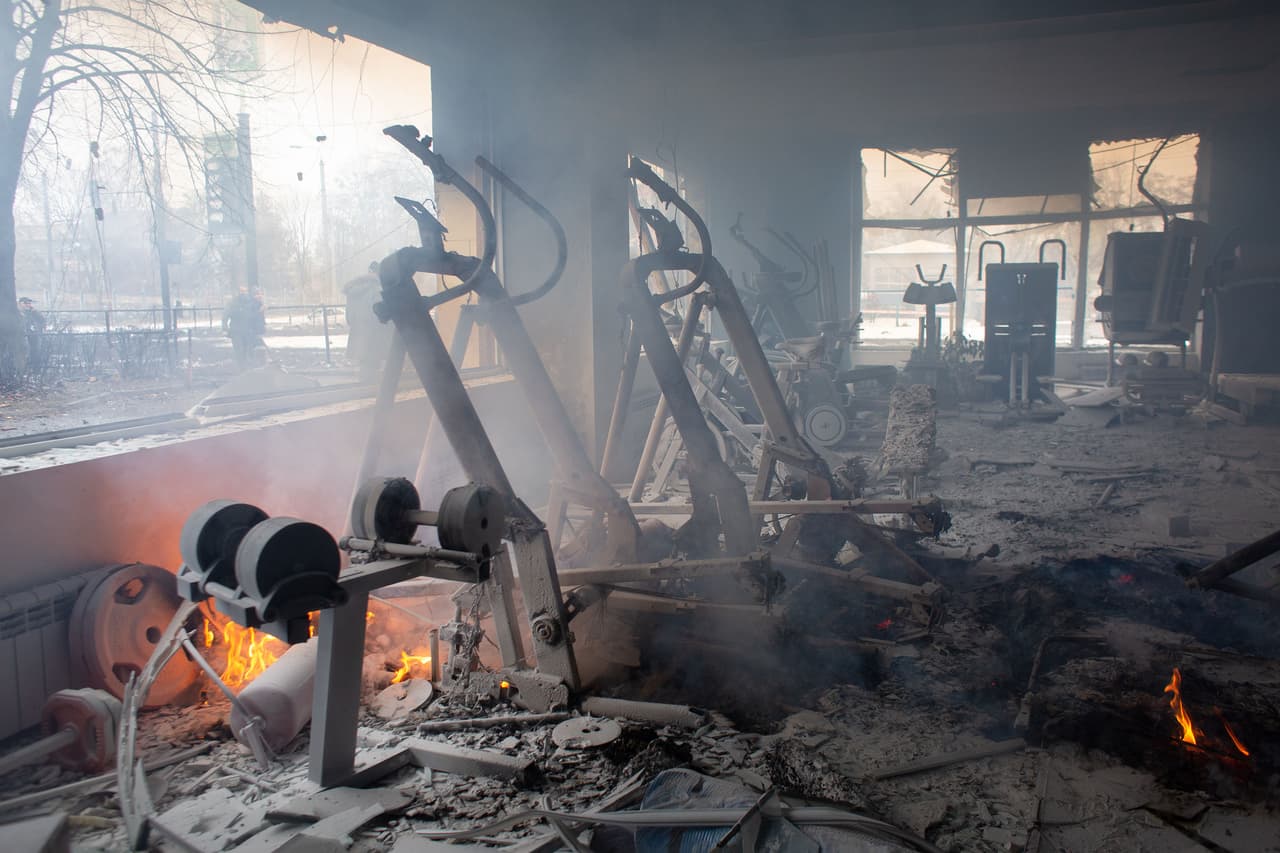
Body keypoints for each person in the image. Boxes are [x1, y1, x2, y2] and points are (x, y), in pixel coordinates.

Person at [344, 262, 390, 383]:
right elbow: (381, 313)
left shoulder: (353, 290)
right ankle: (370, 388)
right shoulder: (378, 289)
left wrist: (354, 323)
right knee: (373, 358)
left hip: (358, 329)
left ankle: (363, 383)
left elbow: (348, 315)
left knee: (363, 359)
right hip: (374, 330)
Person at [223, 288, 262, 369]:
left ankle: (246, 366)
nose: (243, 293)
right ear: (238, 292)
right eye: (241, 291)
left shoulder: (250, 303)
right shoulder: (232, 303)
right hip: (236, 331)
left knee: (247, 349)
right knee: (239, 350)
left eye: (244, 291)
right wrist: (225, 328)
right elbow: (226, 315)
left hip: (247, 330)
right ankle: (241, 366)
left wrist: (258, 329)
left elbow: (253, 316)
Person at [18, 297, 45, 372]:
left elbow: (42, 320)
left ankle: (35, 369)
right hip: (21, 335)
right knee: (23, 352)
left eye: (29, 303)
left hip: (33, 334)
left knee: (35, 351)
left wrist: (35, 312)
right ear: (20, 304)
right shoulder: (18, 312)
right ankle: (23, 369)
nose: (28, 305)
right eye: (25, 303)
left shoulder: (34, 312)